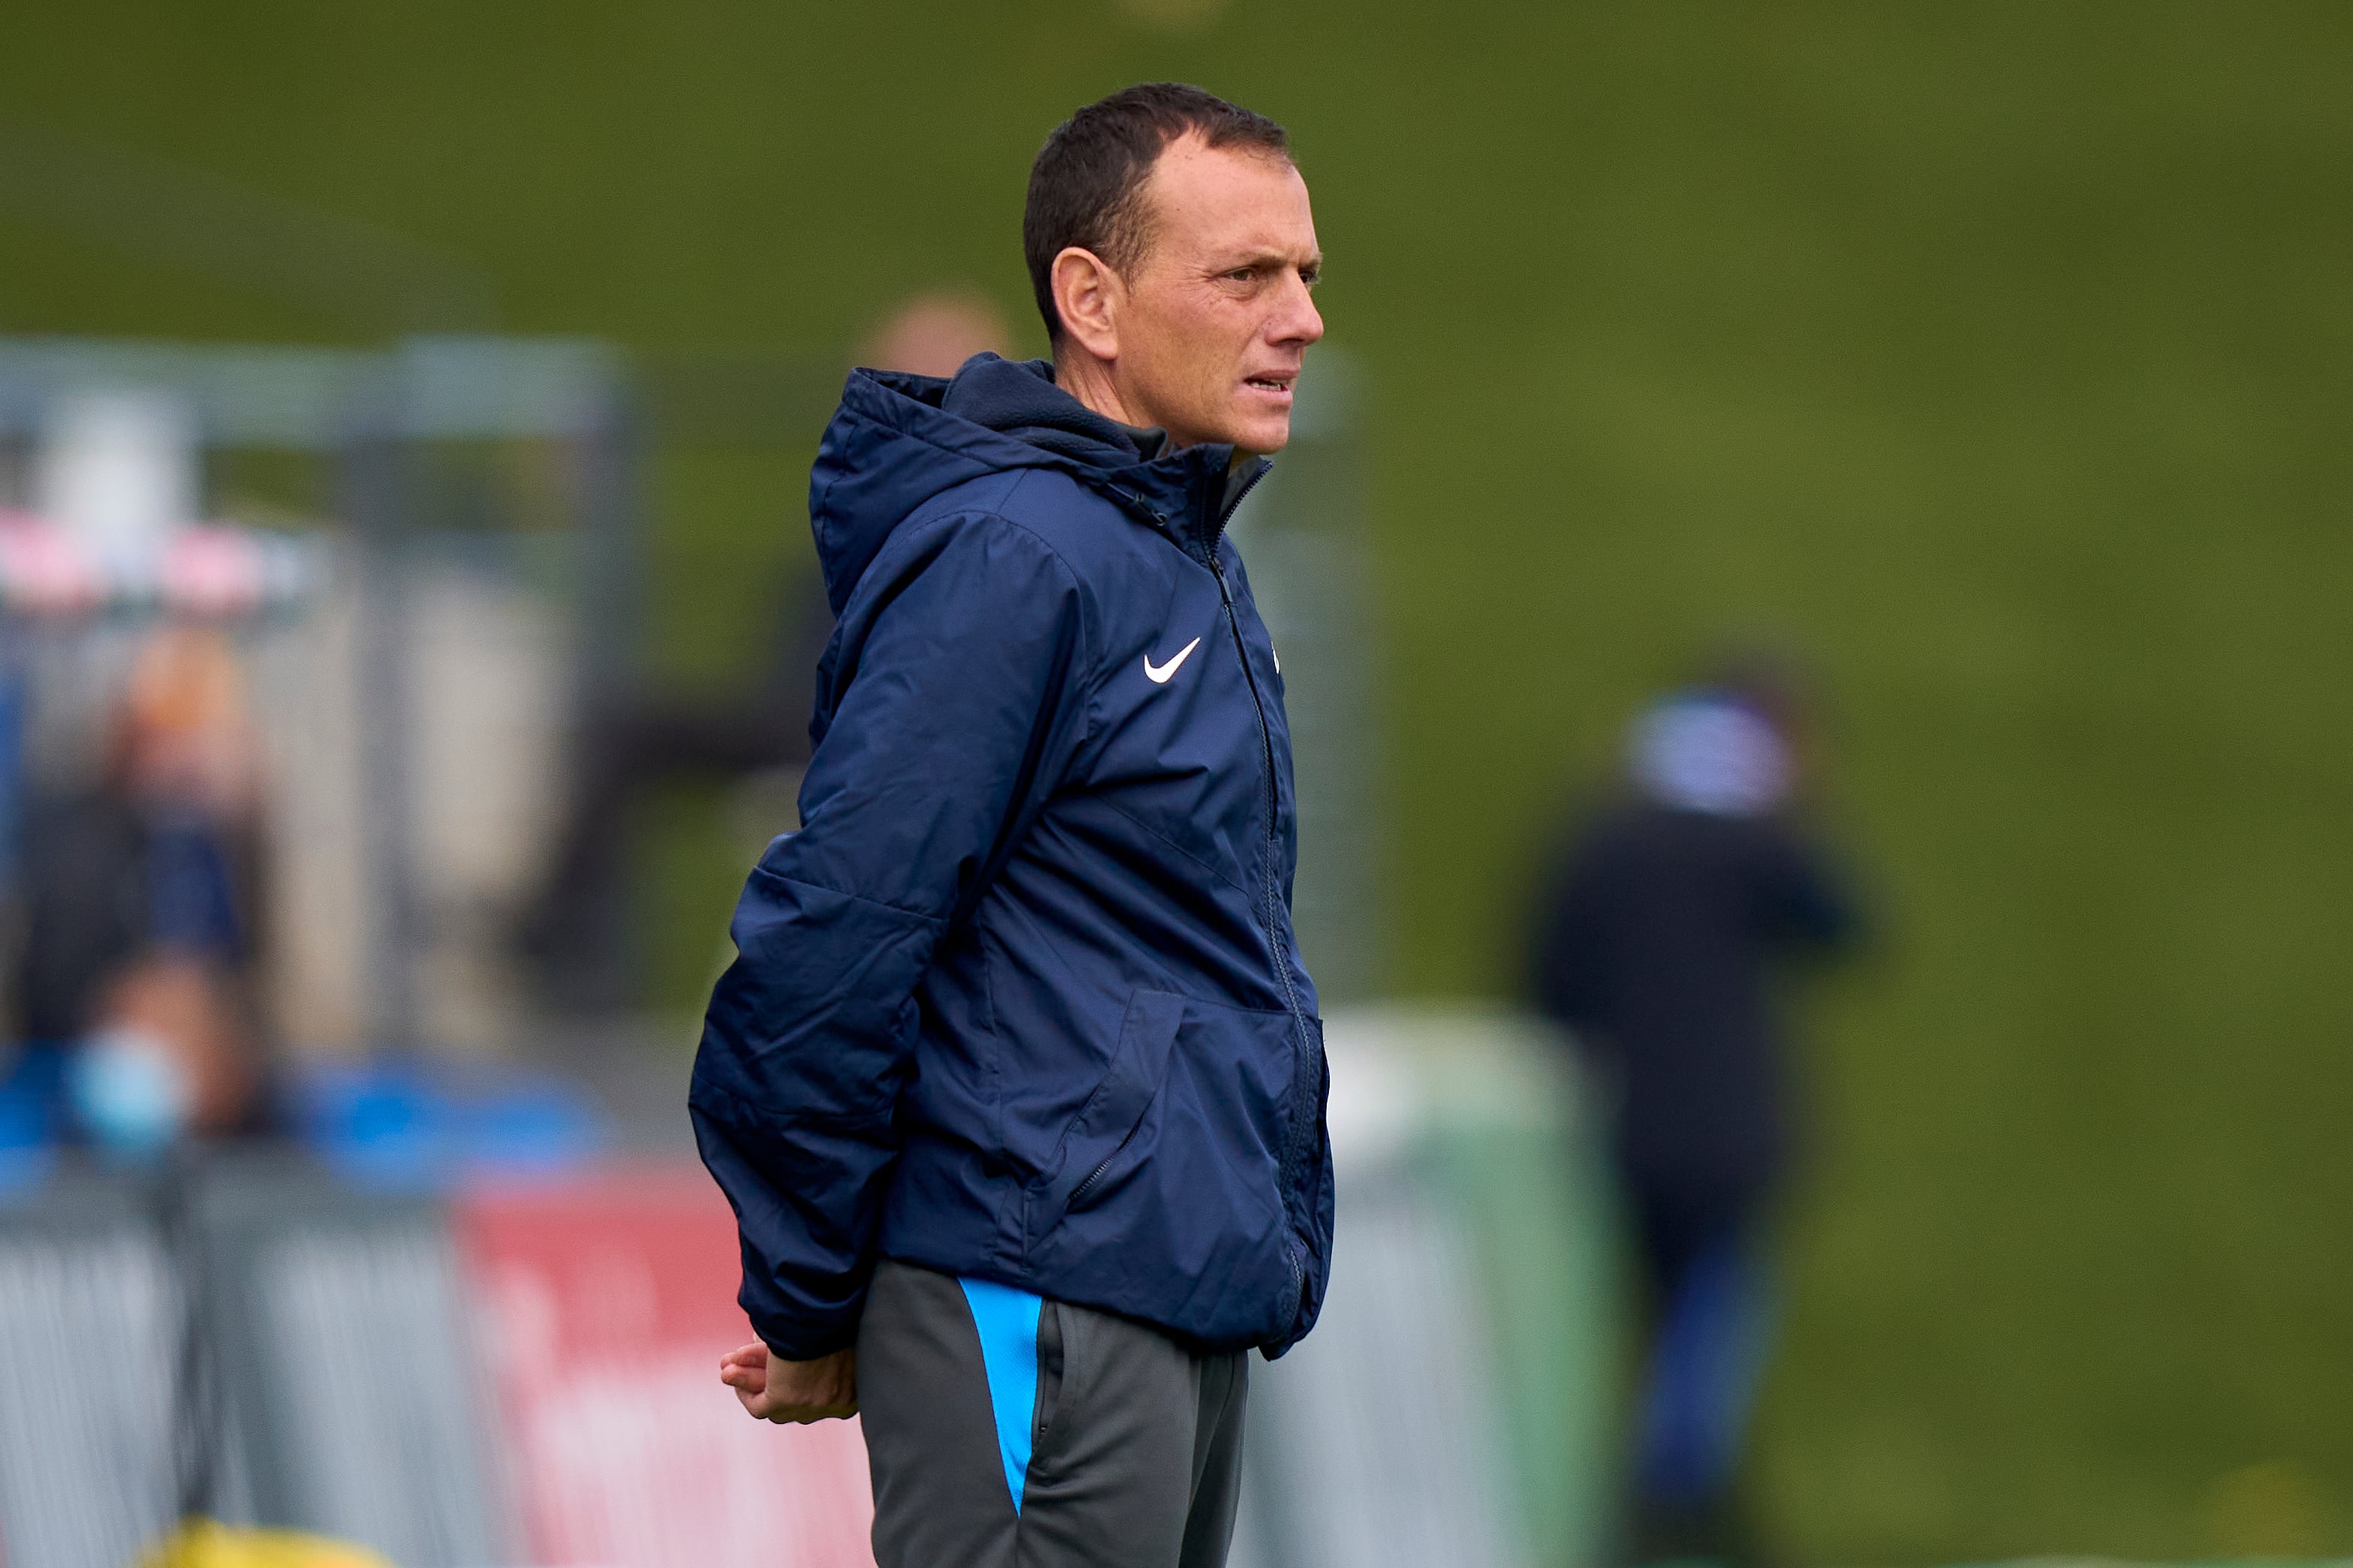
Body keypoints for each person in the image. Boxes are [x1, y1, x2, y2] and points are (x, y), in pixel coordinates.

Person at [690, 84, 1333, 1568]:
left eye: (1305, 275)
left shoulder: (1174, 554)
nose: (1297, 316)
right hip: (1031, 1283)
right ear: (1090, 301)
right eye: (1244, 275)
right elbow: (832, 936)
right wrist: (809, 1289)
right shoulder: (1016, 557)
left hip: (1159, 1280)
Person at [519, 290, 1014, 1007]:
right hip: (801, 705)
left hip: (865, 726)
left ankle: (561, 944)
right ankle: (563, 940)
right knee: (627, 726)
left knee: (642, 731)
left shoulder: (983, 495)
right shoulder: (877, 478)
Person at [1529, 676, 1859, 1563]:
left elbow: (1544, 977)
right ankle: (1668, 1495)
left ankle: (1675, 1499)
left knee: (1651, 1325)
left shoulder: (1602, 834)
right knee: (1706, 1332)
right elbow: (1847, 923)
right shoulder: (1756, 839)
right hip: (1731, 1138)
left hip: (1622, 1132)